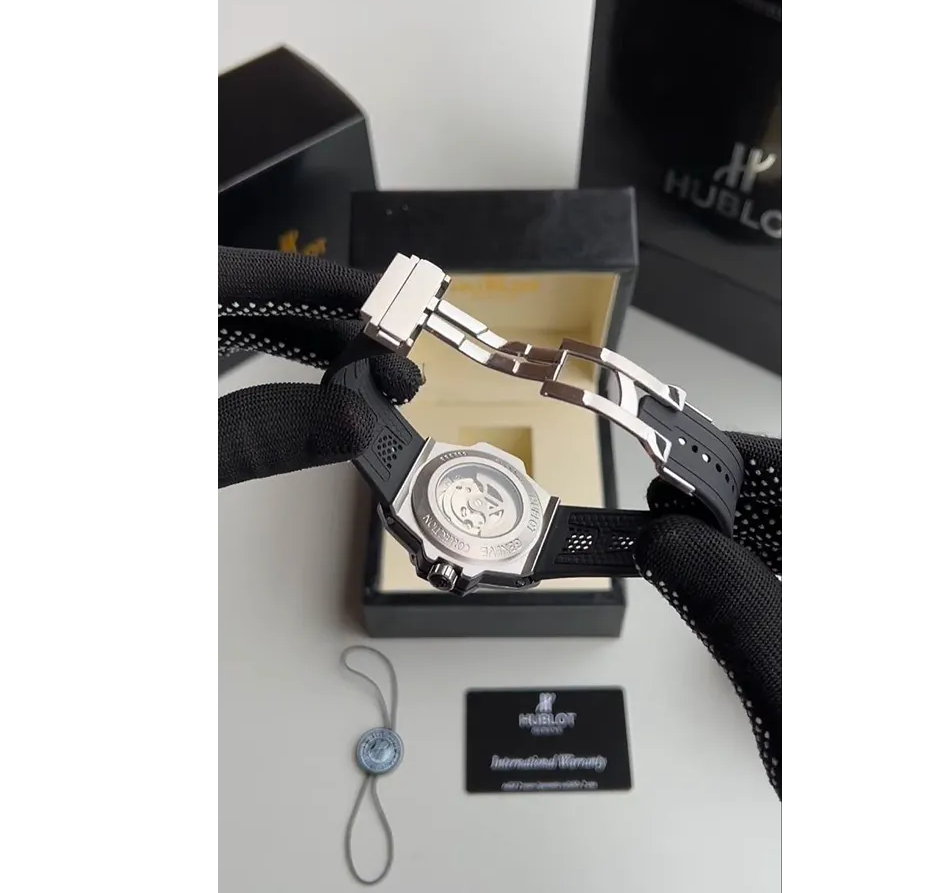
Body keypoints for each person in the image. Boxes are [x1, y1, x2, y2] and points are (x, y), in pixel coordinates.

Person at [216, 245, 783, 799]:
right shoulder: (387, 433)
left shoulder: (536, 531)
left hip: (491, 511)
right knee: (352, 414)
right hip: (443, 484)